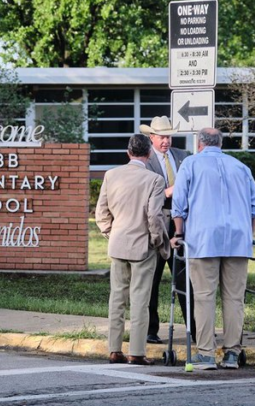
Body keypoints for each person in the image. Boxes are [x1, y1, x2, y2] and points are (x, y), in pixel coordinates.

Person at [171, 128, 255, 370]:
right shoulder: (240, 167)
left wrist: (178, 233)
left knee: (203, 297)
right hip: (238, 241)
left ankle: (206, 353)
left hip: (202, 240)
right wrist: (247, 231)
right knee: (234, 298)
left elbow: (179, 204)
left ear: (200, 143)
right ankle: (232, 353)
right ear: (220, 143)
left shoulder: (190, 164)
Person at [96, 134, 169, 366]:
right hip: (143, 245)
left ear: (128, 152)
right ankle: (136, 352)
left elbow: (101, 212)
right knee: (140, 300)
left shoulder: (111, 175)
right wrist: (157, 241)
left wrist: (110, 232)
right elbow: (154, 216)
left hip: (118, 243)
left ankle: (114, 349)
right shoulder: (155, 180)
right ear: (149, 154)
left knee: (116, 298)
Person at [139, 116, 196, 345]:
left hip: (179, 222)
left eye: (169, 136)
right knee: (151, 278)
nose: (166, 141)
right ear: (151, 137)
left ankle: (194, 328)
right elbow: (142, 194)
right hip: (155, 222)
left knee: (185, 278)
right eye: (162, 137)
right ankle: (150, 330)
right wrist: (167, 192)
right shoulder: (146, 160)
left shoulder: (183, 157)